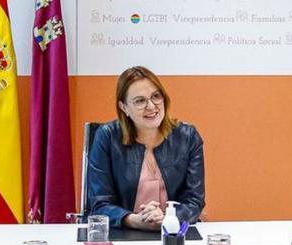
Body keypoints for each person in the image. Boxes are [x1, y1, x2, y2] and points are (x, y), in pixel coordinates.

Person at [86, 66, 205, 230]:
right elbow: (99, 204)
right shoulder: (106, 137)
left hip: (173, 231)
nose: (151, 106)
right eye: (140, 101)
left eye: (156, 96)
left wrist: (165, 218)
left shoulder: (188, 137)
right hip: (123, 232)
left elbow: (194, 201)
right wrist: (135, 220)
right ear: (124, 107)